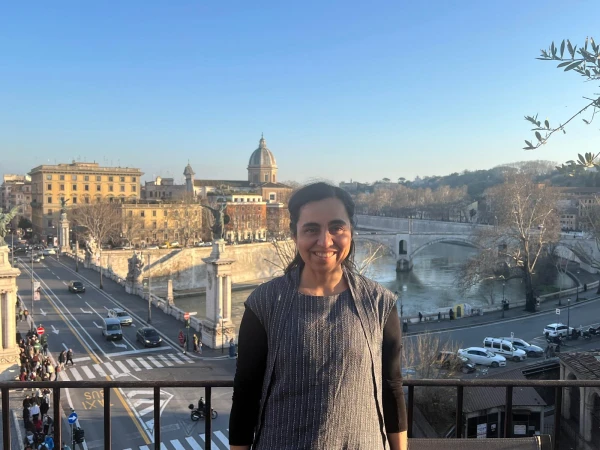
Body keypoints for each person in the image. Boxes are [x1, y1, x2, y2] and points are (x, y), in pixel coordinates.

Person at [229, 182, 407, 450]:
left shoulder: (380, 303)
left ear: (351, 232)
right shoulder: (264, 304)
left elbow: (391, 389)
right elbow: (246, 393)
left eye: (337, 227)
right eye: (311, 229)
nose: (325, 241)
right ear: (295, 235)